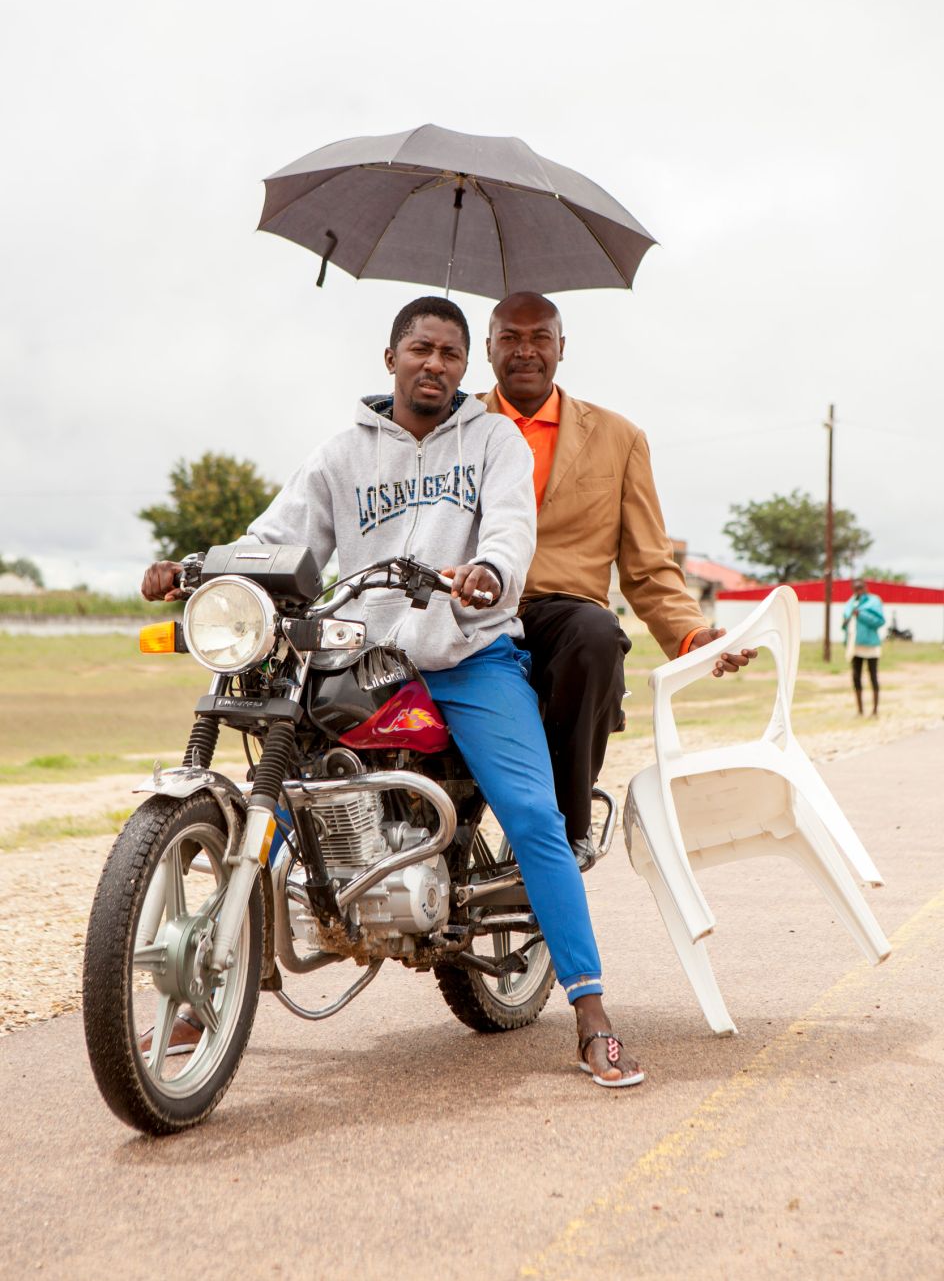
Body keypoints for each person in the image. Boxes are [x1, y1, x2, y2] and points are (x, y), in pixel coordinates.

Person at [142, 295, 644, 1088]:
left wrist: (491, 573)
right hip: (365, 654)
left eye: (450, 353)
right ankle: (208, 987)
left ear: (463, 367)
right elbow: (276, 536)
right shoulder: (345, 453)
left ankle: (590, 1010)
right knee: (279, 795)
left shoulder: (495, 440)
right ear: (392, 358)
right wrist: (197, 566)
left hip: (470, 654)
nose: (435, 364)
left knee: (534, 815)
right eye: (422, 348)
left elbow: (512, 529)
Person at [482, 292, 756, 866]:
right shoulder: (457, 426)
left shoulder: (618, 438)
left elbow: (649, 564)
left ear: (562, 347)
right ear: (487, 348)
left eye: (540, 337)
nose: (525, 350)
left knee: (598, 633)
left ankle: (565, 829)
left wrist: (692, 635)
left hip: (565, 618)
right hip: (472, 614)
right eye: (510, 337)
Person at [842, 578, 885, 715]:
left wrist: (861, 615)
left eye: (860, 587)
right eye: (856, 588)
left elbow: (879, 621)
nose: (858, 590)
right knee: (856, 676)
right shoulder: (851, 602)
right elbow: (846, 622)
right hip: (855, 644)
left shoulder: (874, 601)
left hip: (870, 644)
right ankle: (860, 710)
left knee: (873, 676)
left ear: (865, 587)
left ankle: (875, 710)